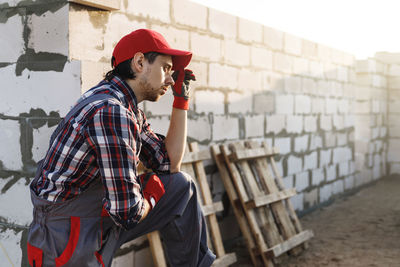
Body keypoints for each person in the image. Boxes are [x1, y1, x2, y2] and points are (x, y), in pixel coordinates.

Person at [26, 28, 216, 267]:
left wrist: (181, 101)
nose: (170, 78)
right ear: (139, 62)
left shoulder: (127, 107)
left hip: (96, 211)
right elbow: (128, 212)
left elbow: (169, 163)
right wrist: (152, 196)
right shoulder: (111, 110)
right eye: (166, 68)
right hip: (65, 231)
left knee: (181, 187)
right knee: (158, 192)